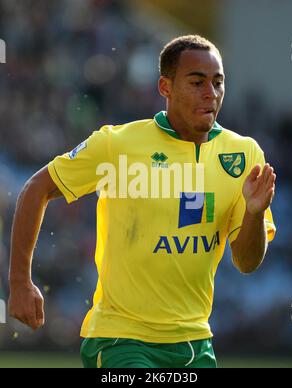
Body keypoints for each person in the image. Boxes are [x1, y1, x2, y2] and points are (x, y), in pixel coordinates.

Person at [8, 35, 276, 368]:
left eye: (218, 82)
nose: (211, 93)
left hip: (195, 343)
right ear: (166, 87)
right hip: (121, 338)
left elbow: (247, 262)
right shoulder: (117, 145)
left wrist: (254, 212)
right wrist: (20, 281)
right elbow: (36, 188)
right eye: (197, 82)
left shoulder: (244, 155)